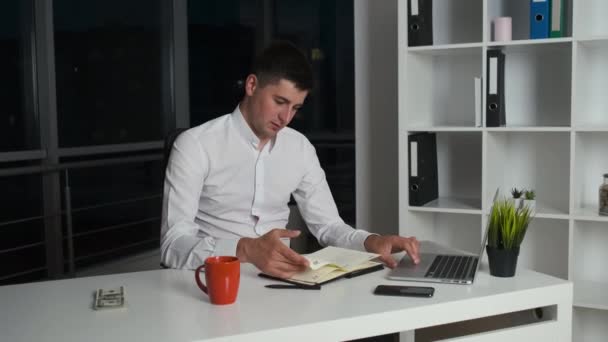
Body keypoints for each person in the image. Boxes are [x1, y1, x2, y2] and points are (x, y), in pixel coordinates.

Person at [161, 41, 420, 279]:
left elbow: (328, 226)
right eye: (280, 101)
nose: (285, 117)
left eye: (295, 107)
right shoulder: (195, 145)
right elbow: (173, 244)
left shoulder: (299, 147)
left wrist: (370, 242)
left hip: (282, 284)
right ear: (252, 86)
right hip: (212, 282)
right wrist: (245, 250)